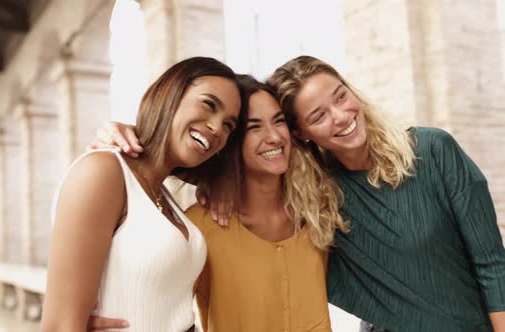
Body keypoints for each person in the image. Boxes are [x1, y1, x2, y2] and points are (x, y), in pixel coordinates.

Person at [92, 56, 505, 332]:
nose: (341, 117)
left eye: (341, 96)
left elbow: (491, 263)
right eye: (318, 115)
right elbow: (160, 280)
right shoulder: (307, 198)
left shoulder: (425, 154)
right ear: (303, 133)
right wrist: (132, 141)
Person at [89, 74, 346, 332]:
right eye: (253, 127)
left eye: (278, 122)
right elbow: (153, 297)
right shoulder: (199, 228)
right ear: (229, 143)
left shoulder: (319, 210)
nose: (274, 137)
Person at [39, 56, 241, 332]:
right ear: (169, 94)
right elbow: (60, 326)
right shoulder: (104, 172)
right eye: (208, 104)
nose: (217, 128)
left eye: (229, 125)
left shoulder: (164, 195)